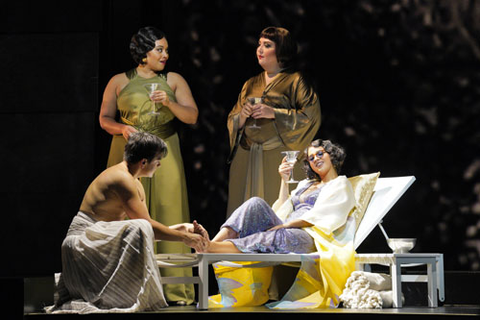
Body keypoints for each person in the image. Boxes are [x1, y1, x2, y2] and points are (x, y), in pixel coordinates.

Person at [46, 132, 208, 314]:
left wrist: (182, 228)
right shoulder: (122, 179)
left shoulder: (135, 182)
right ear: (144, 162)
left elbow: (145, 231)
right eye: (158, 159)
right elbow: (145, 226)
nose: (160, 164)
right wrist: (184, 238)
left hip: (100, 240)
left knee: (140, 227)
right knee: (140, 226)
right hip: (83, 242)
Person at [99, 26, 198, 305]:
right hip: (128, 150)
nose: (165, 54)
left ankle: (175, 289)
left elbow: (191, 116)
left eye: (166, 49)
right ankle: (125, 286)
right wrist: (121, 129)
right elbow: (104, 118)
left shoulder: (173, 79)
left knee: (169, 210)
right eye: (159, 49)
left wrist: (168, 102)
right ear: (143, 54)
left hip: (165, 149)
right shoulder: (118, 81)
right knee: (125, 214)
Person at [194, 139, 357, 308]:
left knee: (275, 235)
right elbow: (282, 207)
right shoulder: (305, 184)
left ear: (333, 155)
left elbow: (325, 216)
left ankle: (211, 249)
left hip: (310, 235)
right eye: (311, 157)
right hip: (289, 226)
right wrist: (284, 181)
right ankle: (212, 242)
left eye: (320, 154)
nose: (315, 159)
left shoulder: (340, 184)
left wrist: (287, 225)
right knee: (254, 203)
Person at [226, 26, 322, 217]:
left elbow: (311, 117)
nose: (259, 50)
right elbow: (232, 120)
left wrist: (275, 113)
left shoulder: (296, 80)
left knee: (277, 210)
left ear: (281, 50)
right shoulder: (251, 83)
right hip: (247, 155)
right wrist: (243, 116)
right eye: (259, 44)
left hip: (278, 156)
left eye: (267, 45)